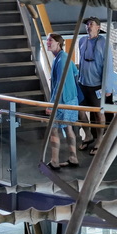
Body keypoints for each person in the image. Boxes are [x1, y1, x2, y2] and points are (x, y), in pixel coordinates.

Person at [77, 16, 113, 154]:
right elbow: (80, 61)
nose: (88, 26)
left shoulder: (103, 42)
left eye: (91, 24)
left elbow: (108, 65)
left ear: (98, 27)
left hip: (96, 85)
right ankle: (88, 135)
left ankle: (100, 140)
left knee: (99, 113)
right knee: (80, 110)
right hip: (83, 83)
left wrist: (108, 87)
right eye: (87, 24)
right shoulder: (82, 41)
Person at [45, 33, 80, 170]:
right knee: (68, 128)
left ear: (58, 43)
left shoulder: (61, 59)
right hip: (70, 99)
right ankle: (73, 157)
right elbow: (75, 72)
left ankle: (54, 161)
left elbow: (60, 83)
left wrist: (51, 105)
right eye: (47, 40)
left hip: (62, 101)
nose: (48, 42)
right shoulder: (63, 57)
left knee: (54, 130)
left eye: (50, 41)